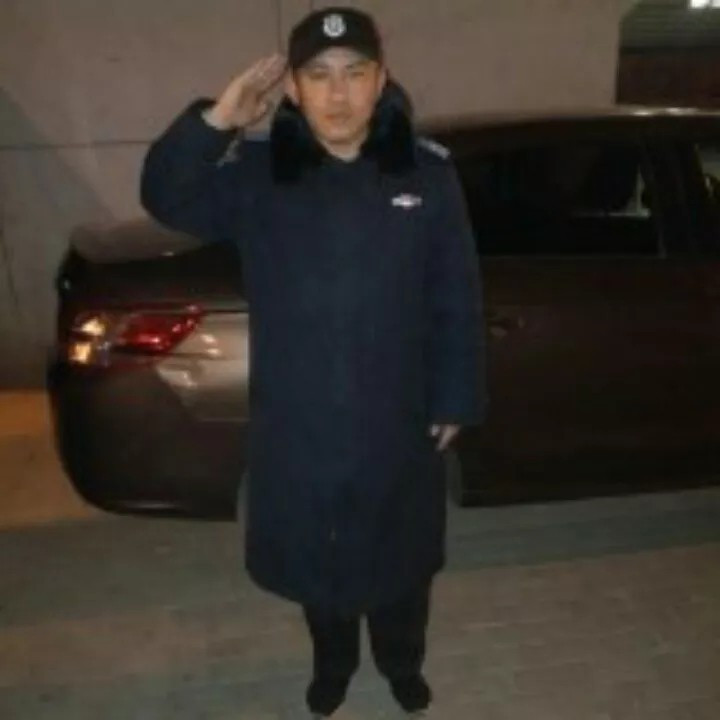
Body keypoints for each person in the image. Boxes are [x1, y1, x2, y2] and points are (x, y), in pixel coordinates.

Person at [140, 6, 487, 717]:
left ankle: (401, 663)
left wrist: (455, 396)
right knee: (319, 562)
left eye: (355, 73)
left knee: (400, 563)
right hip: (298, 423)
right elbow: (167, 196)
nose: (338, 93)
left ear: (381, 80)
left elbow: (456, 294)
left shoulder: (425, 176)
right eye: (319, 75)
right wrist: (218, 120)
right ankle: (334, 666)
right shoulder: (261, 176)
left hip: (397, 417)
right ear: (293, 88)